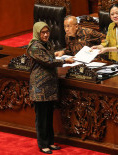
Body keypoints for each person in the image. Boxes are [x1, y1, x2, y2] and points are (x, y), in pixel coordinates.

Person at [27, 22, 74, 154]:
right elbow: (48, 61)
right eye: (43, 32)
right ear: (37, 33)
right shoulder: (34, 46)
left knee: (48, 116)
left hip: (49, 86)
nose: (46, 34)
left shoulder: (48, 44)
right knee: (41, 117)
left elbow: (51, 57)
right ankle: (42, 144)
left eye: (47, 32)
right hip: (39, 88)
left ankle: (50, 142)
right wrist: (64, 61)